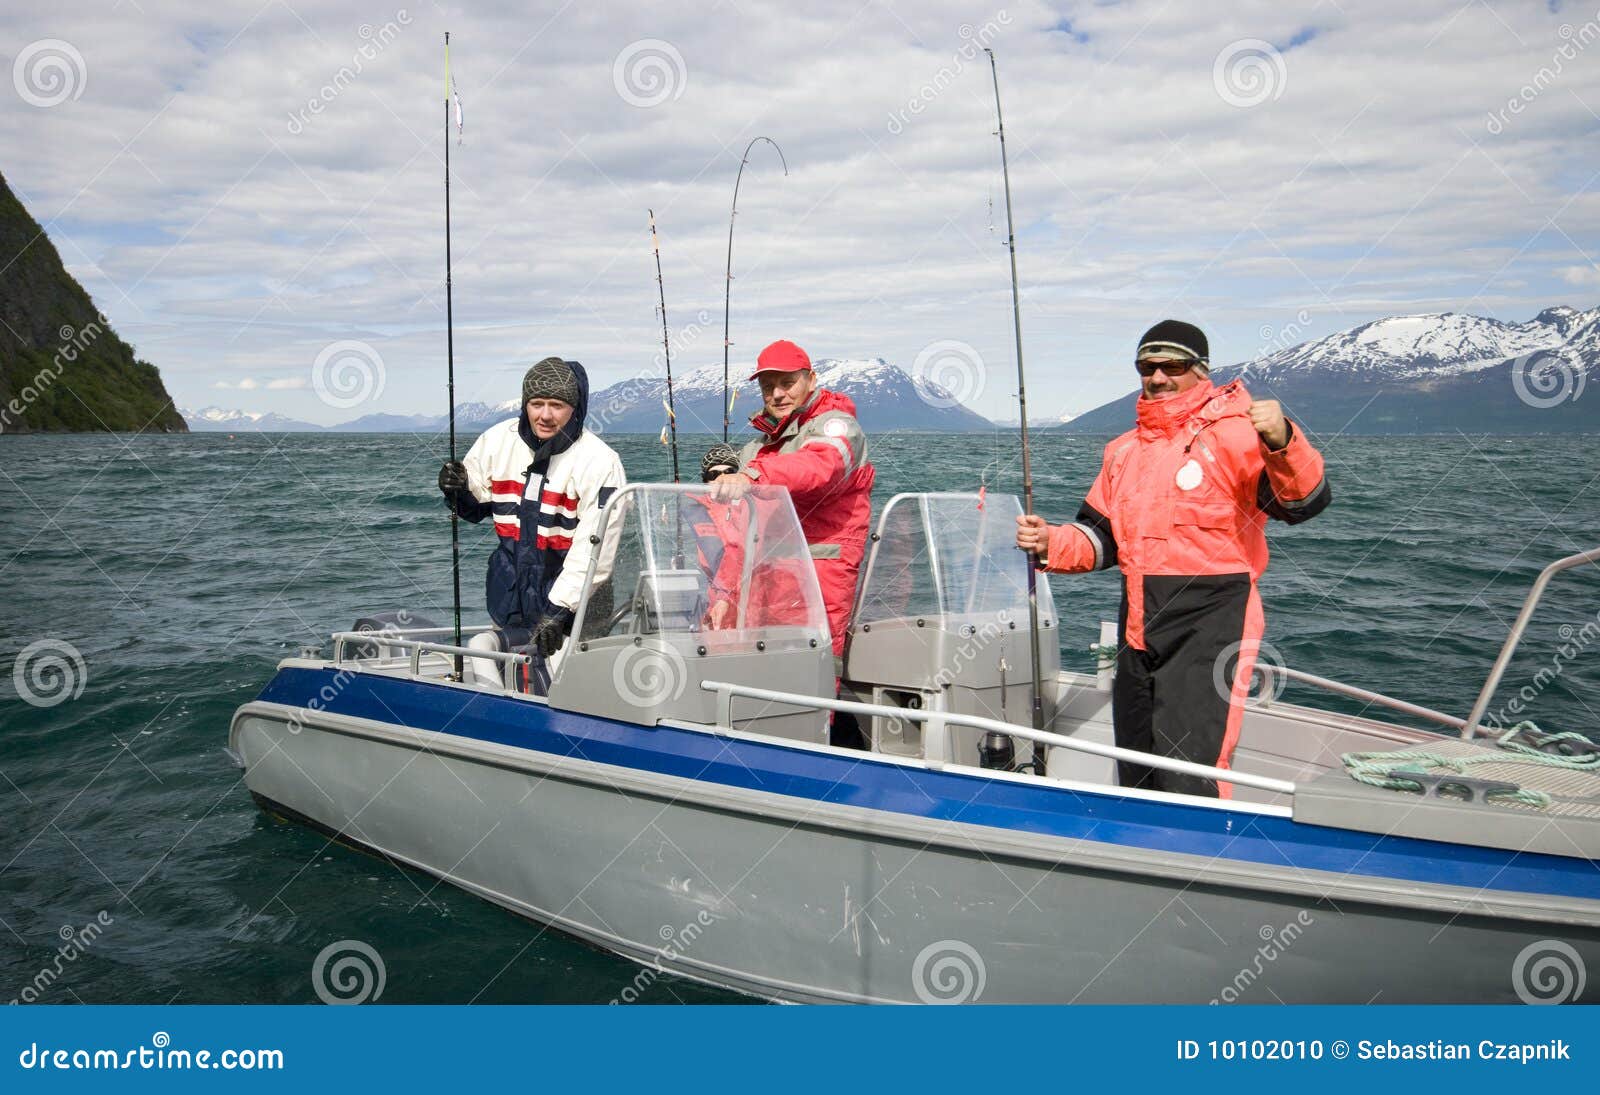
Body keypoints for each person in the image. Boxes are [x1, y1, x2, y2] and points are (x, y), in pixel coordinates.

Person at [1016, 320, 1330, 798]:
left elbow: (1302, 503)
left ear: (1200, 371)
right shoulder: (1122, 451)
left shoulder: (1237, 434)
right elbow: (1101, 539)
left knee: (1190, 771)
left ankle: (1198, 862)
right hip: (1137, 627)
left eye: (1173, 366)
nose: (1158, 377)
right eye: (1147, 367)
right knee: (1136, 763)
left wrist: (1283, 440)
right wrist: (1050, 543)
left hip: (1211, 624)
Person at [438, 357, 625, 689]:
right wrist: (457, 489)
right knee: (512, 680)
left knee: (575, 693)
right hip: (510, 598)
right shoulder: (496, 440)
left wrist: (558, 609)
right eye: (536, 404)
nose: (545, 415)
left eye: (557, 405)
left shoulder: (601, 462)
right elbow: (475, 505)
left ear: (576, 407)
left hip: (577, 610)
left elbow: (597, 550)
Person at [709, 339, 874, 658]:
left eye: (788, 383)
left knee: (814, 668)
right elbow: (737, 537)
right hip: (765, 580)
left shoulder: (837, 427)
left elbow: (817, 467)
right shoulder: (757, 448)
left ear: (811, 380)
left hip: (818, 573)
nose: (777, 394)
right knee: (754, 669)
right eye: (768, 387)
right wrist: (723, 594)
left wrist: (751, 476)